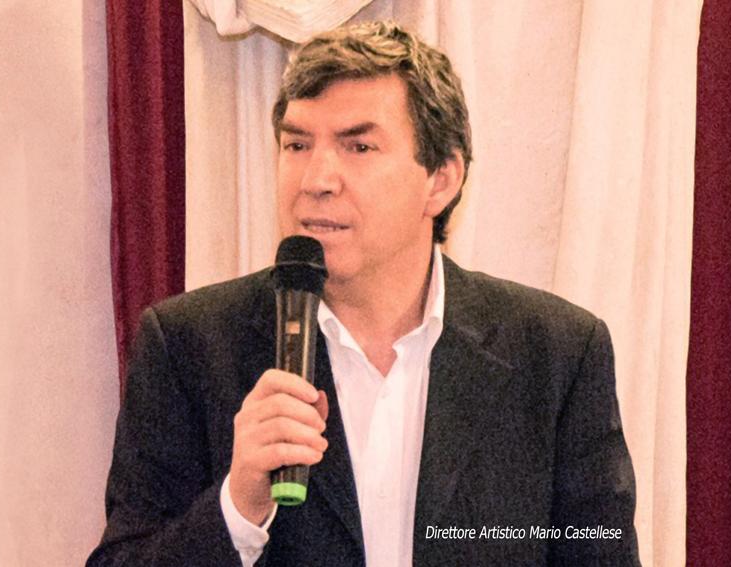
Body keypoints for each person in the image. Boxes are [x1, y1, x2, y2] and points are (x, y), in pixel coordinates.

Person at [88, 21, 640, 566]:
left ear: (441, 179)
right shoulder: (190, 347)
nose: (315, 180)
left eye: (358, 147)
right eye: (297, 144)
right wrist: (238, 507)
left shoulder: (557, 355)